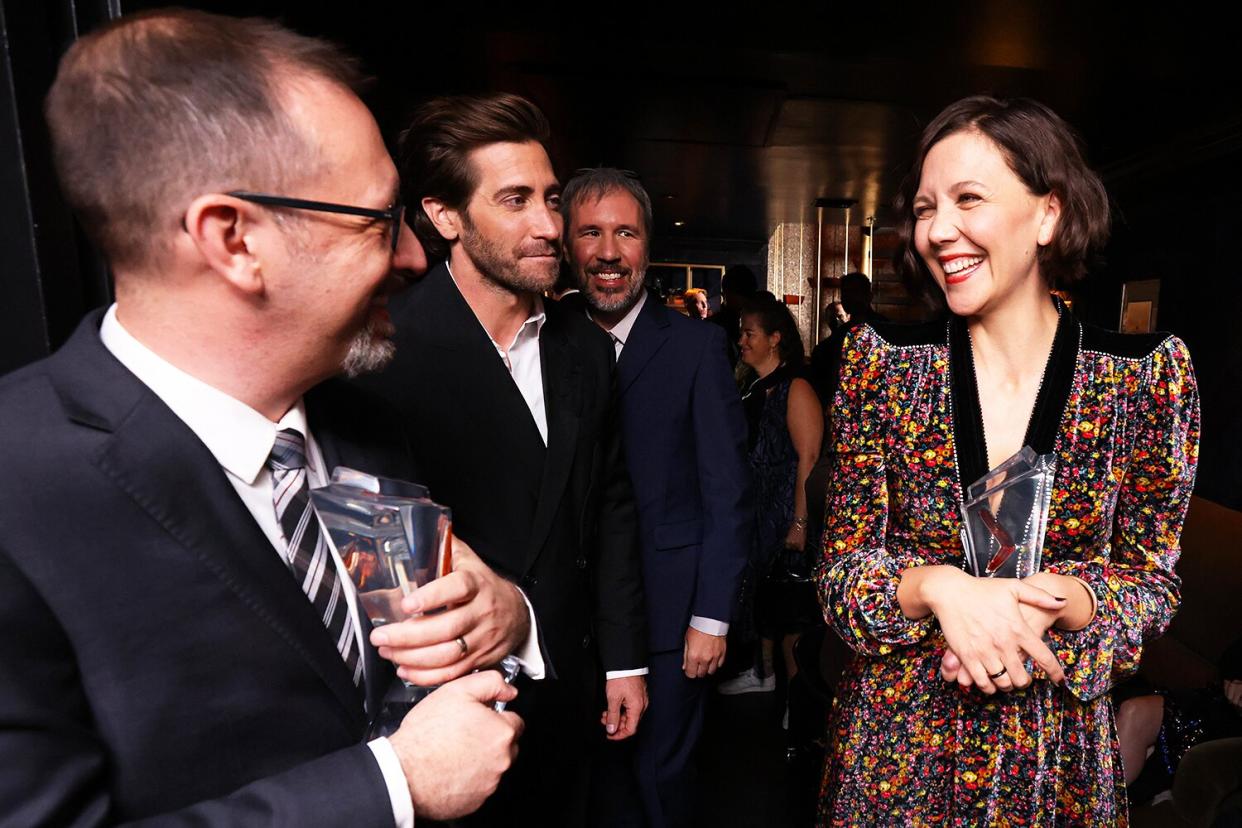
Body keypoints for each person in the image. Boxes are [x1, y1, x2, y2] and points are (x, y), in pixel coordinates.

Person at [0, 10, 531, 825]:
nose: (414, 258)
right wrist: (394, 787)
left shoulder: (365, 419)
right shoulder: (17, 492)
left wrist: (505, 616)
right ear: (234, 239)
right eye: (379, 220)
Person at [816, 96, 1200, 825]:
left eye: (968, 199)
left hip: (1054, 759)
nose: (938, 230)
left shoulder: (1143, 379)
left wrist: (1064, 600)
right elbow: (840, 576)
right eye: (926, 208)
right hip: (899, 755)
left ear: (1048, 215)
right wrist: (938, 589)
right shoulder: (885, 368)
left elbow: (1152, 585)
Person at [358, 94, 646, 826]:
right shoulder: (385, 352)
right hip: (452, 710)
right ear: (445, 216)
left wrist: (623, 660)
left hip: (574, 688)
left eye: (550, 199)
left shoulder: (583, 347)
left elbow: (609, 507)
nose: (550, 226)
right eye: (514, 201)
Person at [563, 167, 752, 827]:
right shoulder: (549, 338)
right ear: (567, 244)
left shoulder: (697, 347)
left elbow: (728, 492)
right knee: (588, 783)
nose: (609, 251)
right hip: (574, 624)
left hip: (674, 620)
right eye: (590, 232)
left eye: (625, 233)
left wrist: (712, 616)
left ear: (648, 246)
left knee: (659, 783)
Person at [719, 298, 823, 698]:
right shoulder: (753, 385)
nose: (742, 340)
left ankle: (795, 707)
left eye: (750, 333)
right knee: (764, 604)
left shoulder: (795, 386)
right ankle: (762, 676)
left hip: (785, 515)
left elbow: (809, 457)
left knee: (792, 615)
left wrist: (798, 521)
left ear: (775, 339)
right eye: (742, 332)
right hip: (759, 514)